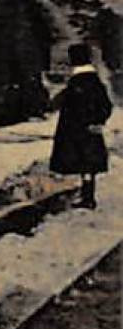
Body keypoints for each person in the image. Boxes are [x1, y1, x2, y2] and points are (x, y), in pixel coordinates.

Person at [51, 43, 113, 209]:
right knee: (88, 165)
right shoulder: (93, 81)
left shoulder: (78, 81)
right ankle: (88, 195)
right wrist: (98, 121)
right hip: (88, 130)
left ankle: (88, 198)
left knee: (83, 163)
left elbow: (67, 104)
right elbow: (106, 105)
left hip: (76, 130)